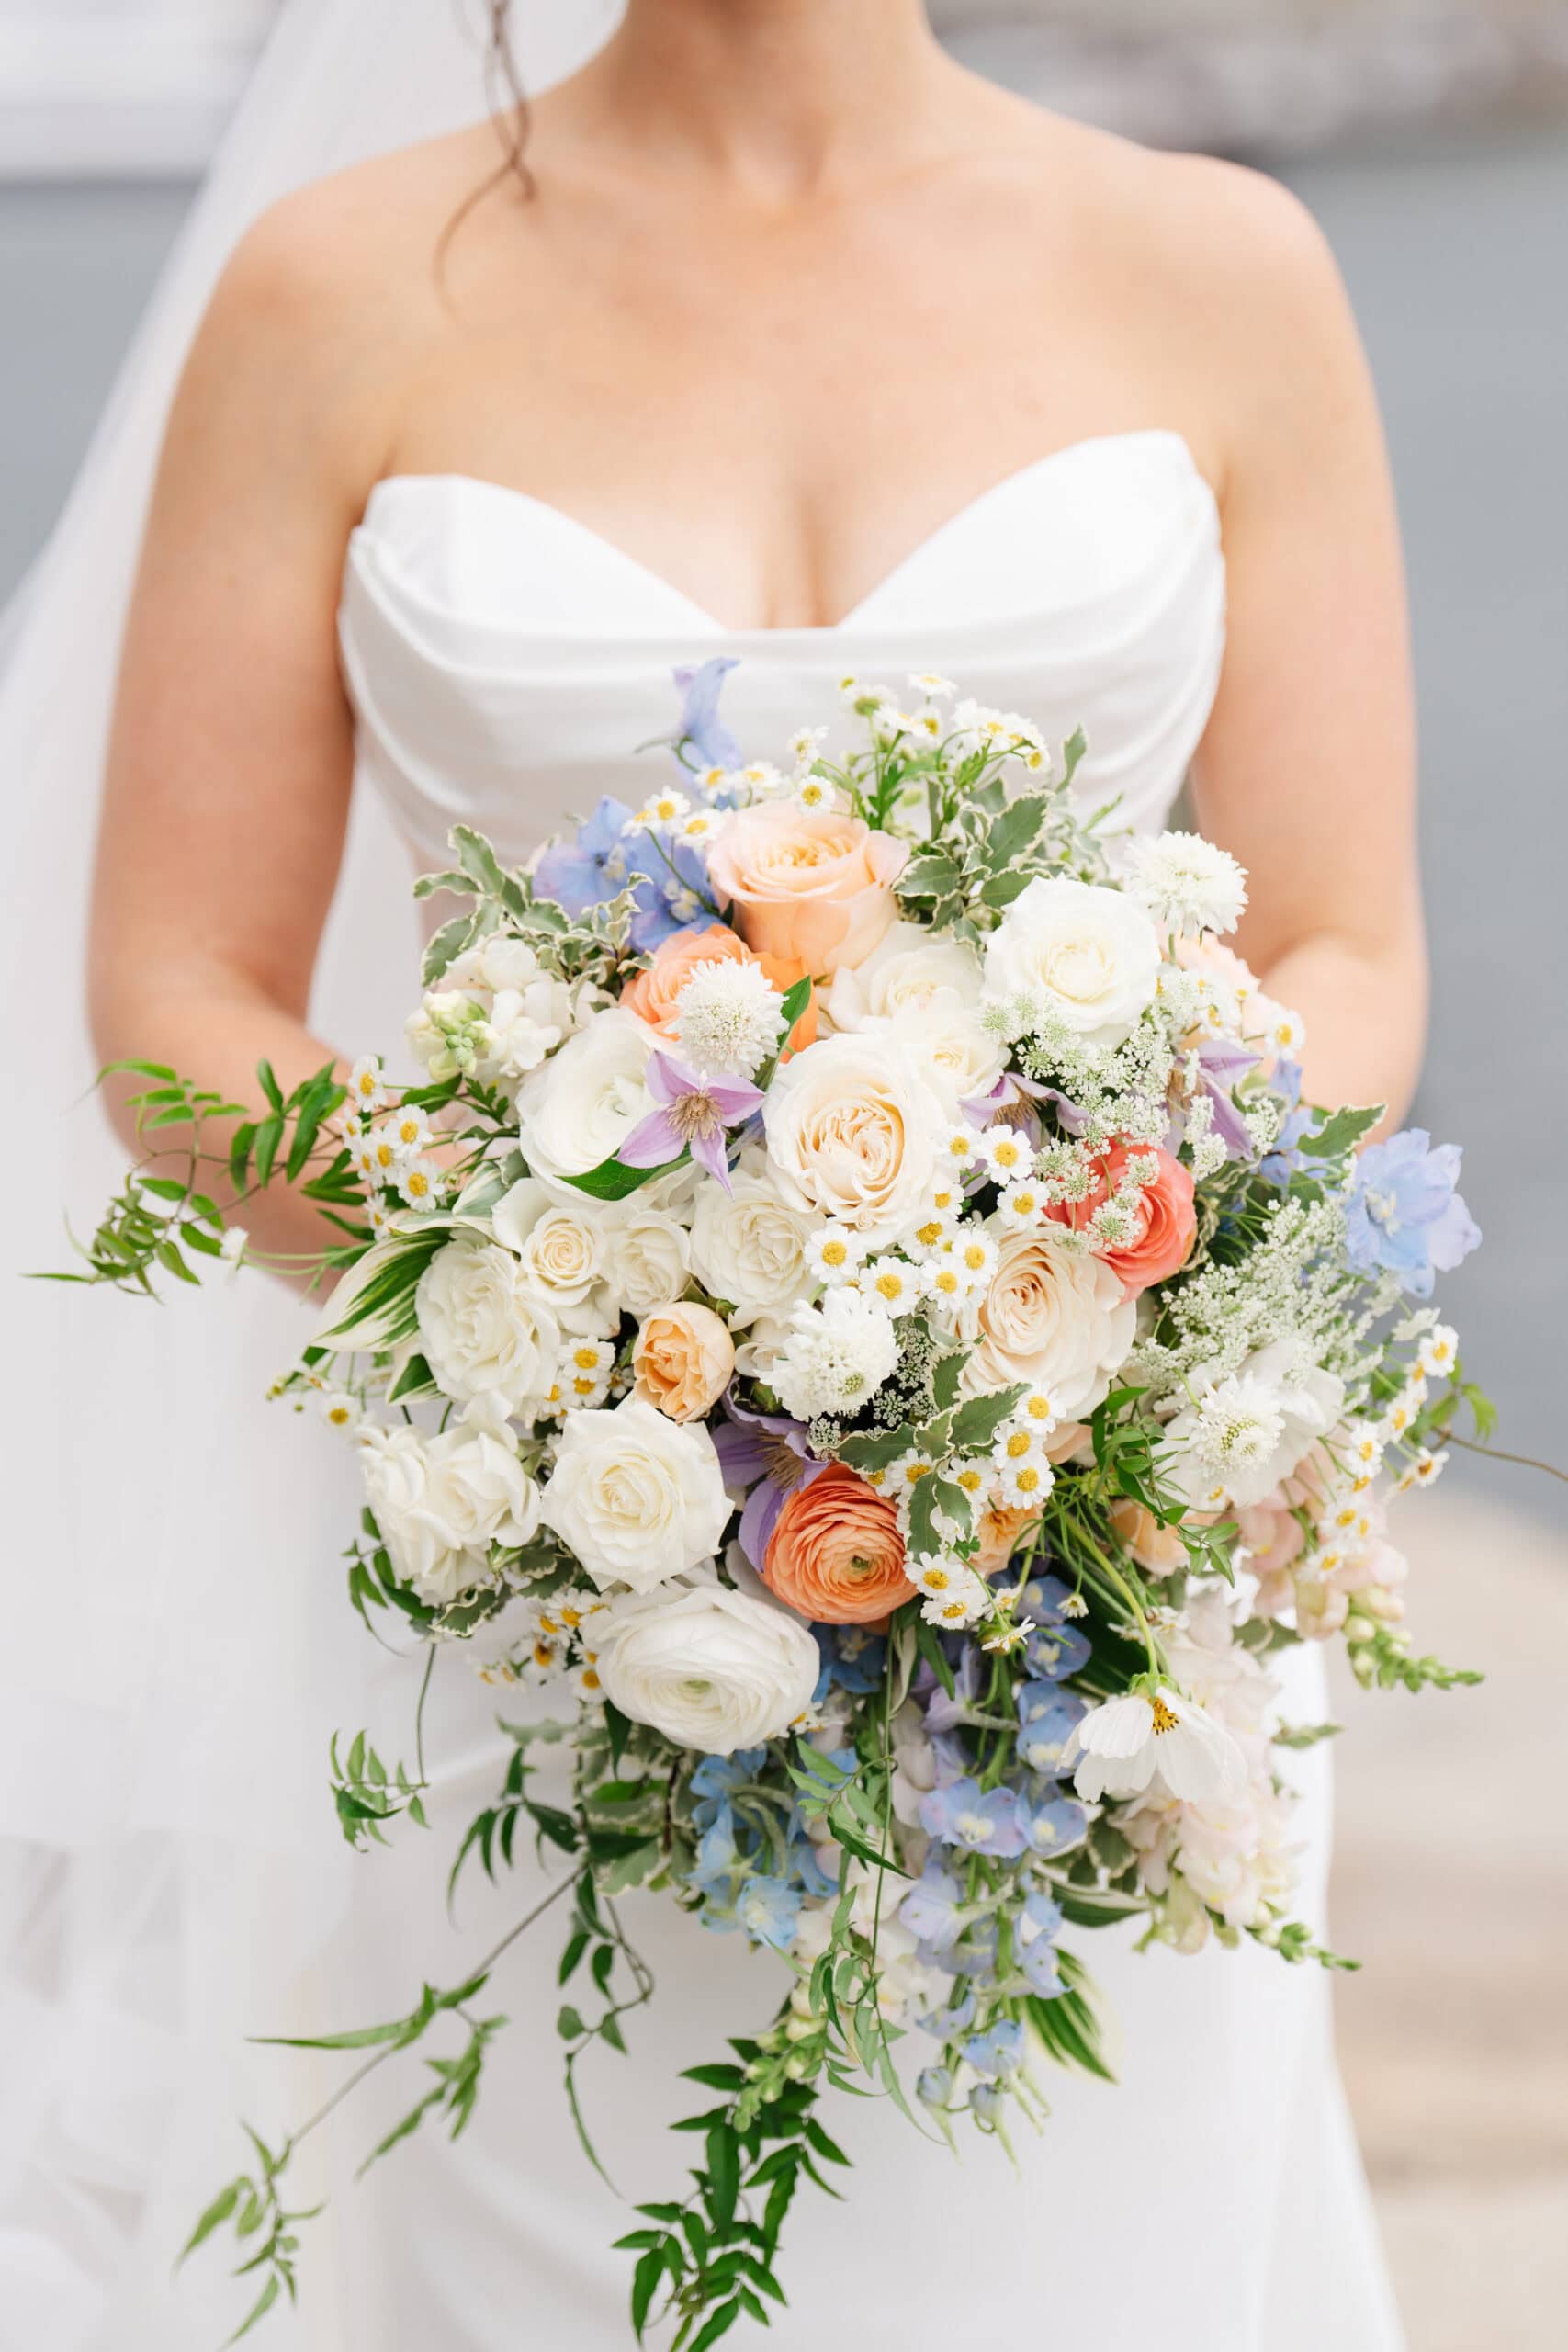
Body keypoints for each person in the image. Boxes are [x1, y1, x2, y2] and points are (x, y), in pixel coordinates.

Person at [6, 3, 1417, 2344]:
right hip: (539, 1615)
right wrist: (583, 1308)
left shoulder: (1220, 265)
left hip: (1071, 1615)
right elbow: (181, 1002)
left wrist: (1056, 1298)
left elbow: (1340, 940)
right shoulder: (332, 291)